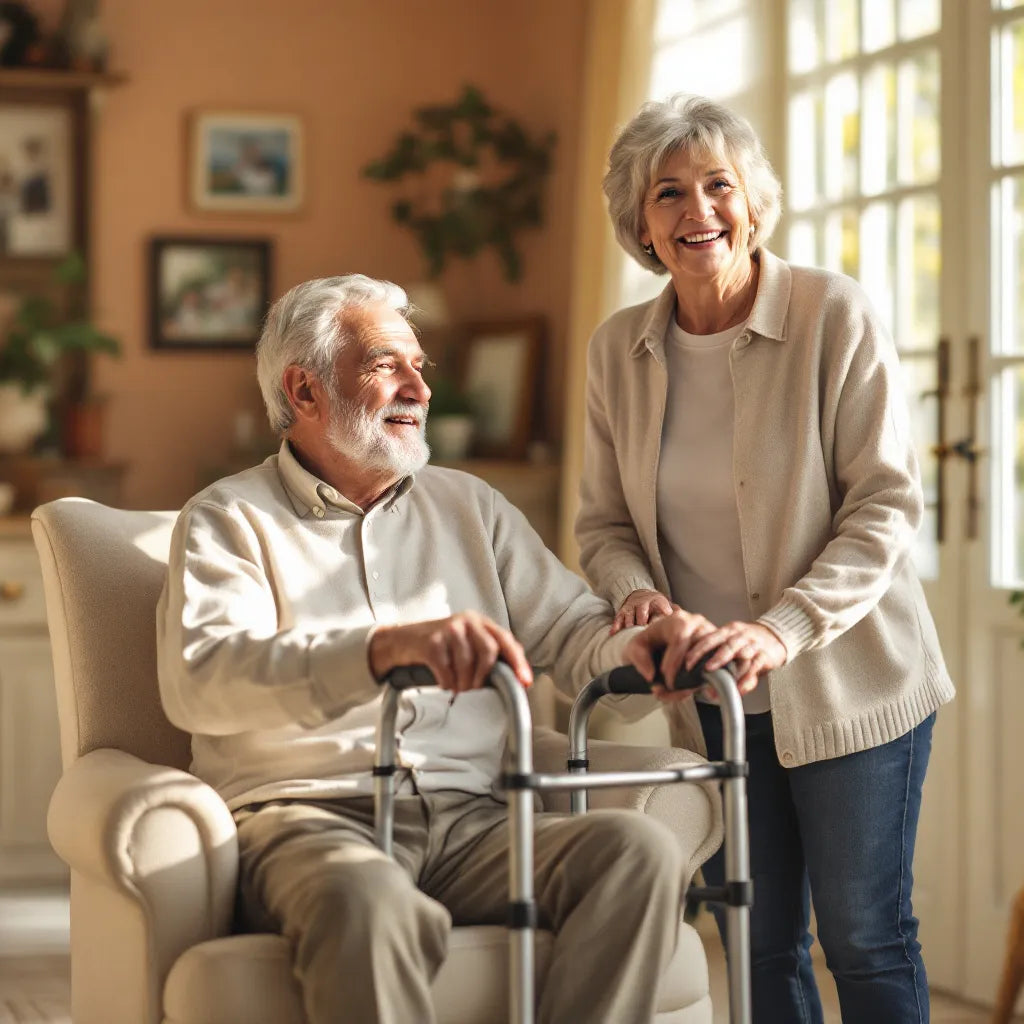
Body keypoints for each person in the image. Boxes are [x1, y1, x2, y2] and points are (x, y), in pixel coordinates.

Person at [156, 274, 689, 1024]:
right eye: (384, 365)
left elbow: (572, 633)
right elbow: (203, 679)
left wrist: (642, 651)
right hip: (310, 820)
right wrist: (380, 650)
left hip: (475, 819)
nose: (419, 388)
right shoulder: (227, 519)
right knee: (365, 898)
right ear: (304, 392)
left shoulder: (471, 506)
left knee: (638, 851)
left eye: (419, 366)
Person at [576, 94, 955, 1023]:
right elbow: (603, 526)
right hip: (711, 702)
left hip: (852, 685)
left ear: (754, 201)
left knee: (865, 941)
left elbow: (884, 504)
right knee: (755, 941)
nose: (698, 211)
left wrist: (782, 631)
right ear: (641, 225)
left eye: (719, 185)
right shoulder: (617, 350)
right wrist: (638, 602)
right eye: (669, 193)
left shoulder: (833, 313)